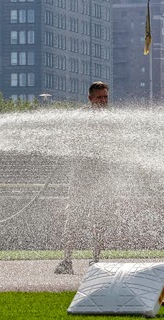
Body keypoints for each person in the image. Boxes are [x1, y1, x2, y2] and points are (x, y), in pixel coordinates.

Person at [55, 81, 110, 274]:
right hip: (80, 176)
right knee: (74, 219)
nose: (103, 101)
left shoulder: (112, 120)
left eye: (105, 97)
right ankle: (67, 261)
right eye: (99, 97)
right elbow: (67, 140)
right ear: (90, 98)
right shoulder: (80, 118)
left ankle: (95, 260)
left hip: (102, 178)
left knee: (99, 220)